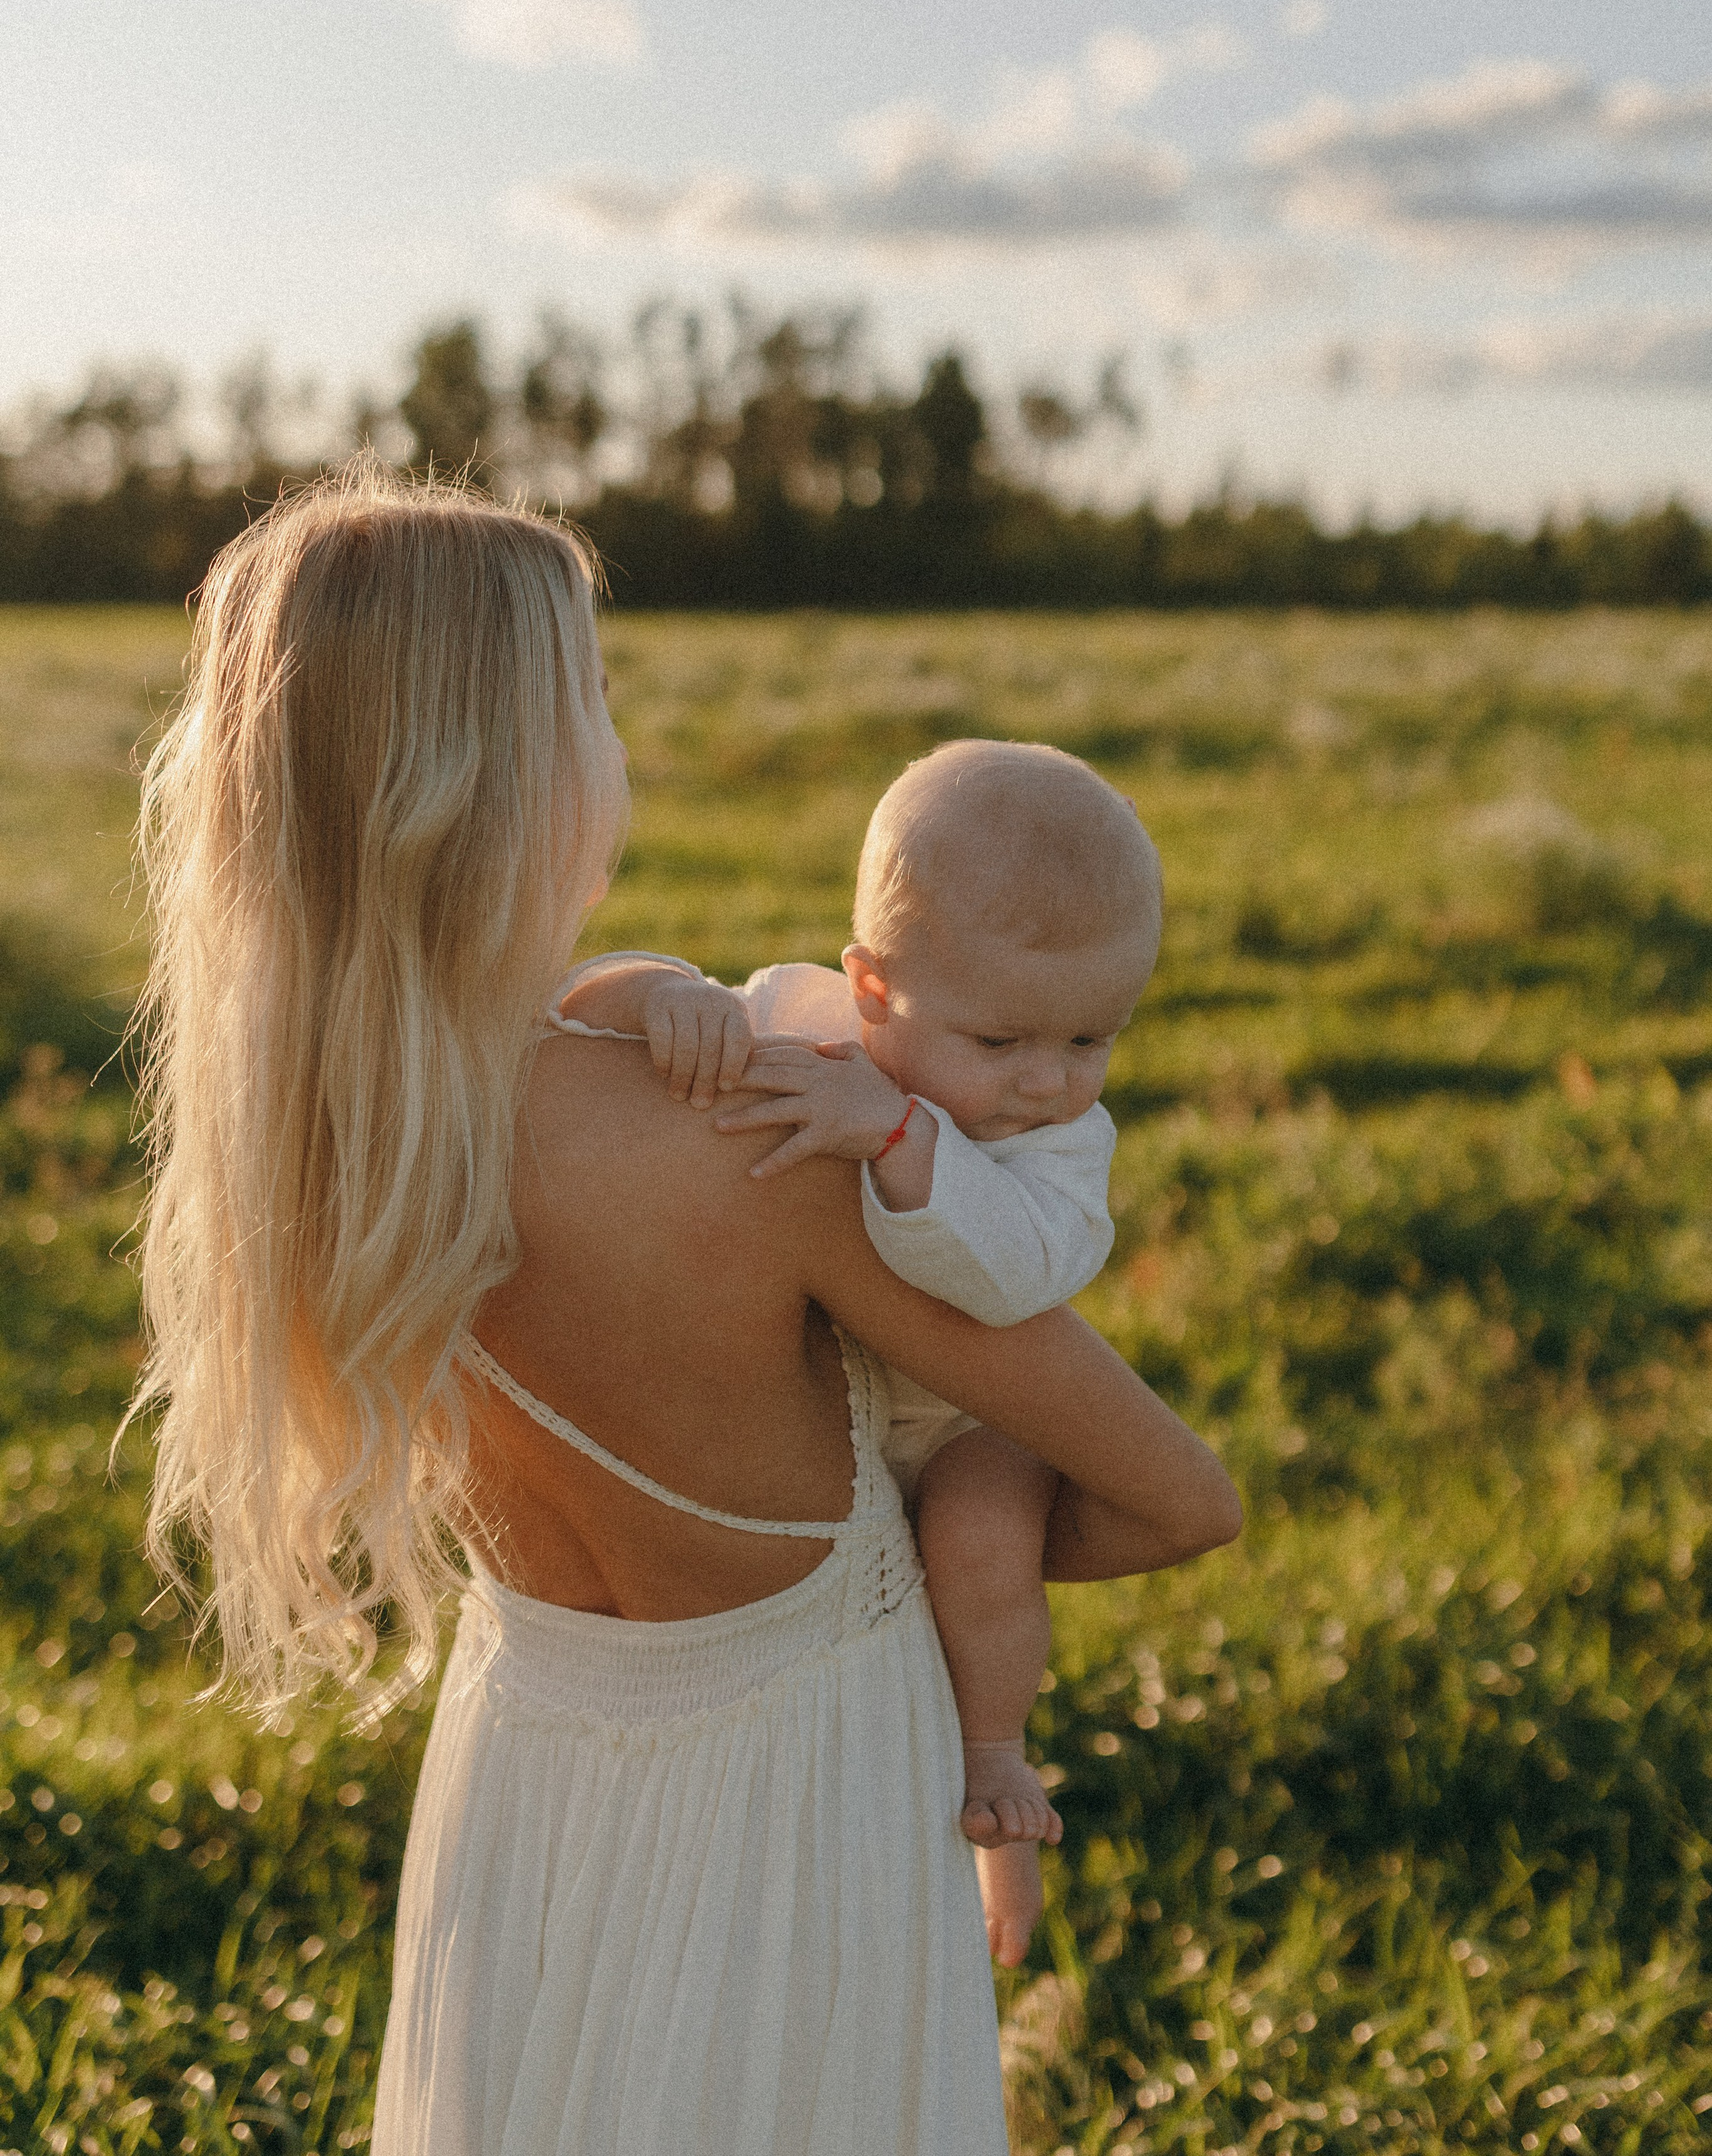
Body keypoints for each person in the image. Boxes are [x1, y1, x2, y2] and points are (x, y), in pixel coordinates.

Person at [132, 465, 1241, 2156]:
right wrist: (967, 1539)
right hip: (800, 1795)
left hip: (526, 1760)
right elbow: (1178, 1495)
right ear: (503, 771)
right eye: (593, 696)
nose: (618, 745)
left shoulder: (329, 1137)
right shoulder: (750, 1137)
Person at [559, 738, 1162, 1963]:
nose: (1049, 1081)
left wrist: (895, 1131)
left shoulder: (1057, 1143)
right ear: (874, 991)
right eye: (1002, 1045)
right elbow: (581, 1003)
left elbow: (1018, 1273)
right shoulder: (803, 1020)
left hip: (958, 1425)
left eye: (1093, 1039)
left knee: (985, 1531)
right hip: (811, 1426)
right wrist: (656, 994)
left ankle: (995, 1766)